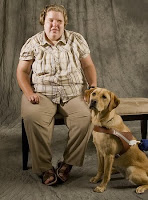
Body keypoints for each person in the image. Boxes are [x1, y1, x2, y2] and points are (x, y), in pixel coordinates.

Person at [16, 4, 97, 186]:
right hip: (42, 93)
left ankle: (67, 163)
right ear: (43, 21)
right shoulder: (33, 43)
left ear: (64, 23)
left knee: (87, 117)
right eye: (51, 20)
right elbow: (21, 71)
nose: (55, 24)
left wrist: (92, 87)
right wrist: (29, 92)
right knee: (32, 116)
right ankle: (45, 167)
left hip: (73, 93)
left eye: (59, 21)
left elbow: (88, 66)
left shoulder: (76, 40)